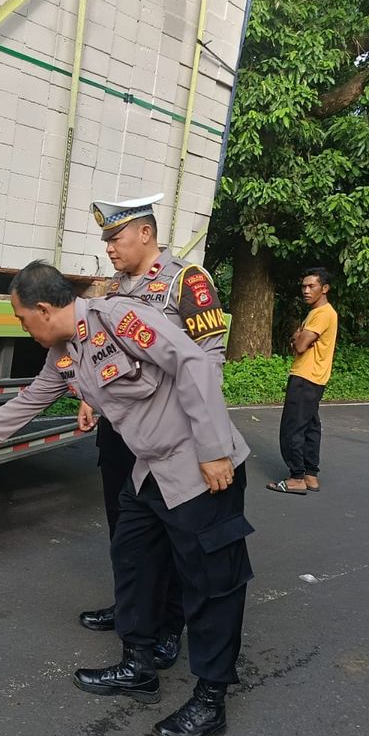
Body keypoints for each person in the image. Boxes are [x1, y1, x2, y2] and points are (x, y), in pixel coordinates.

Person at [0, 261, 255, 736]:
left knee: (212, 585)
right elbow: (37, 395)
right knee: (133, 561)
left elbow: (194, 362)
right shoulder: (65, 350)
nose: (23, 328)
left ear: (44, 309)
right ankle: (139, 665)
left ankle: (211, 700)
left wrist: (213, 450)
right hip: (148, 469)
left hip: (199, 468)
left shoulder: (121, 319)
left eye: (23, 319)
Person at [76, 195, 230, 674]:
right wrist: (88, 396)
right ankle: (132, 611)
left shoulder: (188, 281)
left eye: (115, 237)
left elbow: (208, 361)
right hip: (122, 432)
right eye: (105, 240)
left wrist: (202, 438)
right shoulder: (114, 287)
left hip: (170, 433)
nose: (109, 248)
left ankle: (168, 627)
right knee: (127, 530)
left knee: (172, 535)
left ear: (145, 232)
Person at [267, 267, 338, 496]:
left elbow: (298, 345)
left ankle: (296, 477)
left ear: (324, 288)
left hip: (305, 377)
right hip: (316, 377)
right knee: (310, 426)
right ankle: (310, 474)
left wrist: (299, 337)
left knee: (292, 427)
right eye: (304, 286)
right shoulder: (318, 312)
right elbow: (297, 340)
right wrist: (299, 338)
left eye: (312, 286)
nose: (306, 291)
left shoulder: (322, 314)